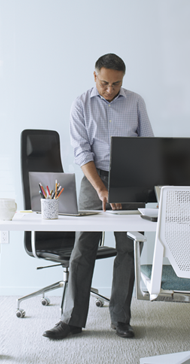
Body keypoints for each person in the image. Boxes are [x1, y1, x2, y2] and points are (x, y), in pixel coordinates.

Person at [43, 53, 154, 340]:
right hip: (93, 178)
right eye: (105, 83)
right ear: (95, 77)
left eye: (116, 84)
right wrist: (102, 189)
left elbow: (147, 146)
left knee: (129, 247)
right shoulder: (81, 103)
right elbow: (82, 151)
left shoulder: (136, 101)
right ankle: (71, 320)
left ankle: (120, 318)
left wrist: (130, 184)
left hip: (129, 177)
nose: (110, 89)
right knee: (83, 246)